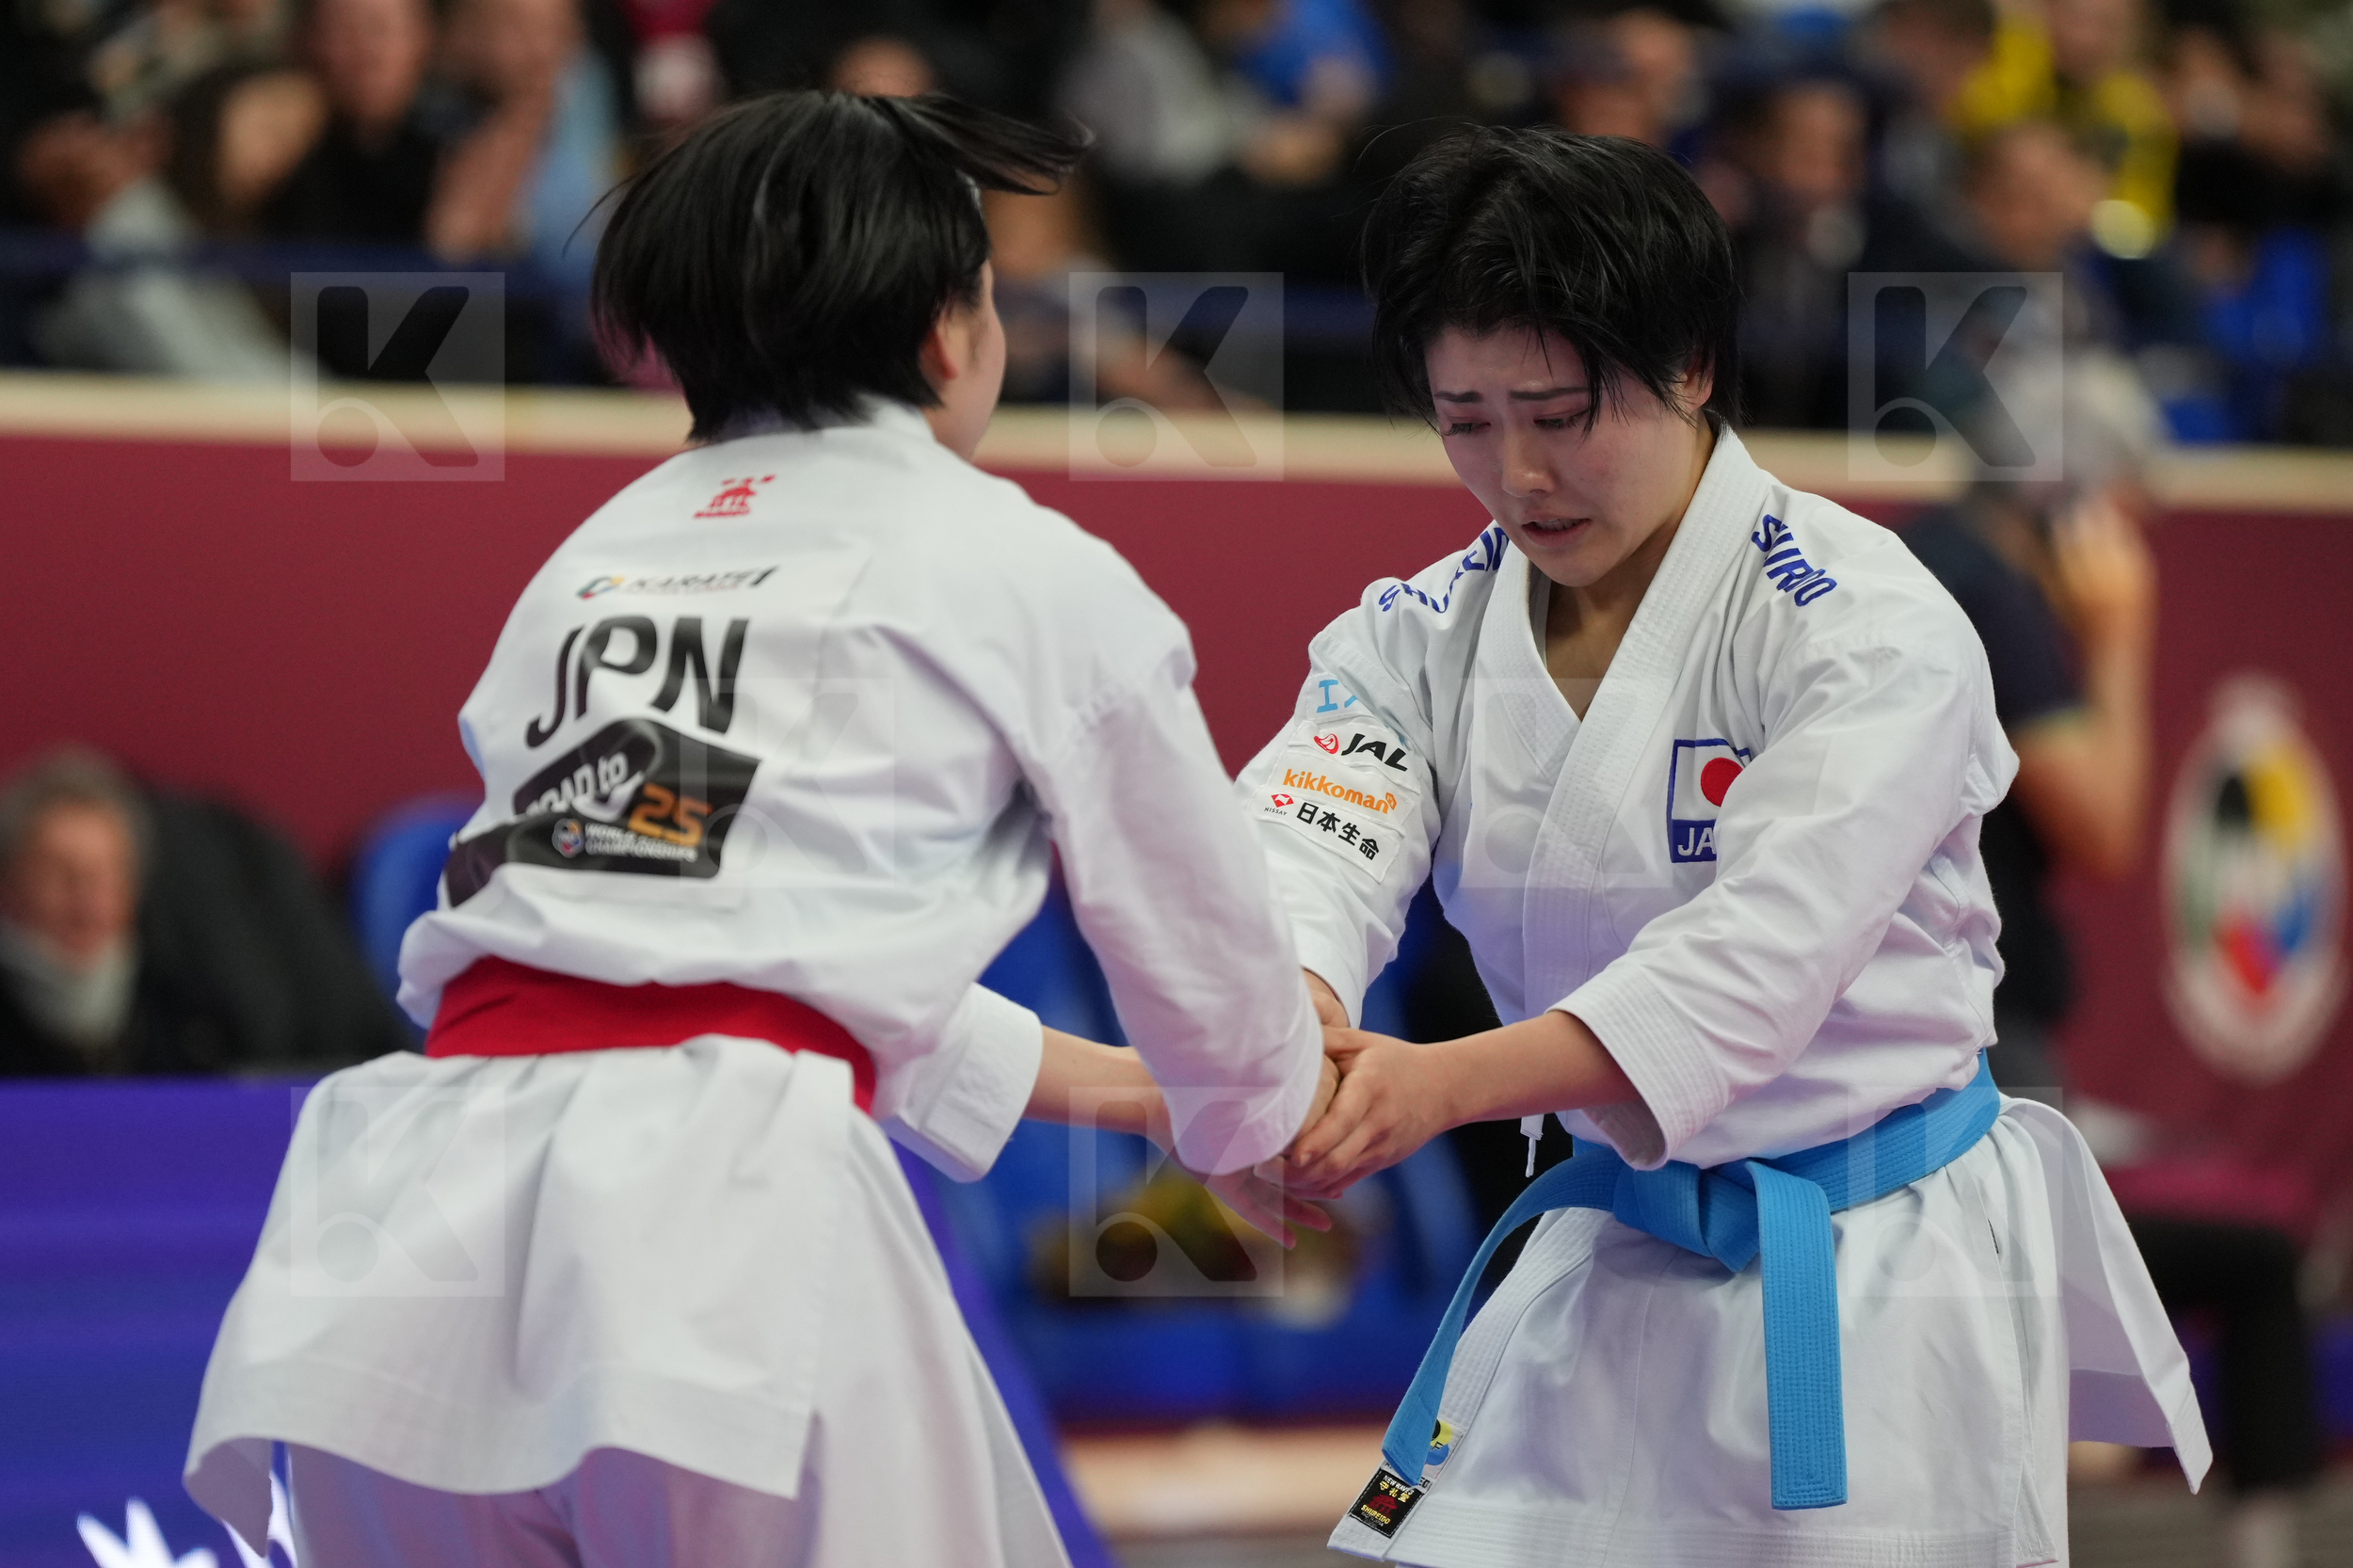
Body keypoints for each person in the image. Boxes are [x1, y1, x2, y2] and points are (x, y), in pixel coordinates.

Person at [184, 90, 1334, 1568]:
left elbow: (703, 955)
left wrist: (1140, 1098)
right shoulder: (1022, 560)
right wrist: (1259, 1116)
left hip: (403, 1244)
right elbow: (1207, 947)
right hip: (713, 1240)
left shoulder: (586, 565)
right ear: (947, 331)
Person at [1240, 126, 2209, 1564]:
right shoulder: (1423, 629)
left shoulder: (1863, 622)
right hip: (1608, 1238)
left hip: (1876, 1263)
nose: (1516, 473)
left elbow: (1759, 959)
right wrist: (1294, 1023)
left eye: (1561, 413)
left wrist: (1435, 1086)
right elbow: (1304, 843)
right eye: (1465, 417)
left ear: (1691, 365)